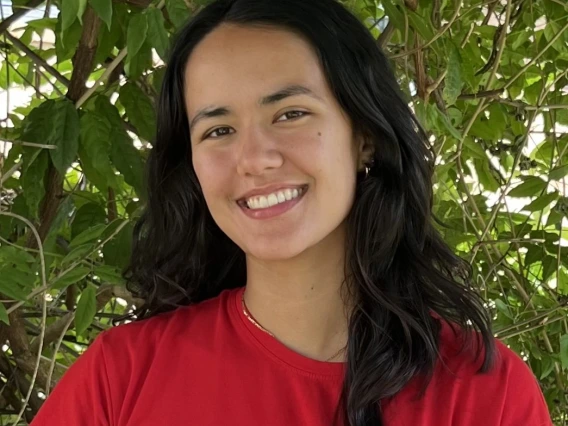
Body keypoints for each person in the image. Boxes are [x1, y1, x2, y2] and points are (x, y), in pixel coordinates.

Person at [30, 0, 554, 425]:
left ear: (364, 136)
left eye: (291, 113)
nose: (255, 159)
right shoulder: (120, 377)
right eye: (218, 129)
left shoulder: (487, 395)